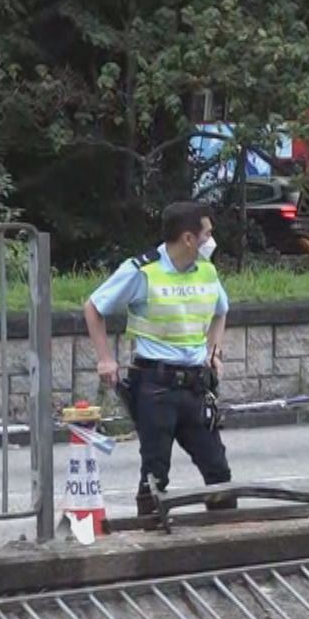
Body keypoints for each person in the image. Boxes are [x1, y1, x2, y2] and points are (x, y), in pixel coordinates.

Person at [83, 201, 235, 513]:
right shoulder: (143, 271)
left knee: (218, 472)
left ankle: (225, 542)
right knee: (155, 474)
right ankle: (148, 544)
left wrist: (214, 351)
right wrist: (105, 359)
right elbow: (94, 307)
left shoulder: (206, 271)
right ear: (189, 239)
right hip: (156, 387)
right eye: (207, 234)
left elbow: (221, 311)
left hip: (195, 387)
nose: (212, 240)